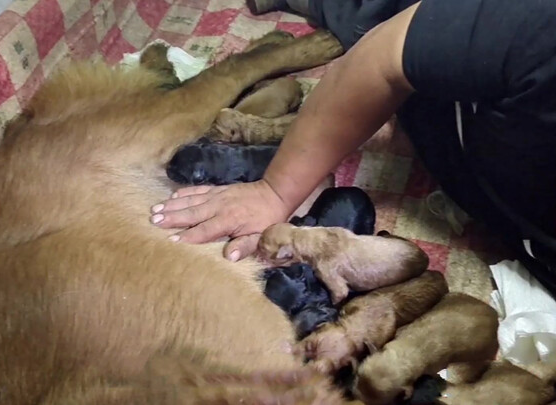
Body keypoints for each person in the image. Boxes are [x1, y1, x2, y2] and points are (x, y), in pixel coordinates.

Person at [149, 1, 556, 293]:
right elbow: (383, 57)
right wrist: (274, 191)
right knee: (372, 16)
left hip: (461, 119)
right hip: (414, 43)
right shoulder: (541, 28)